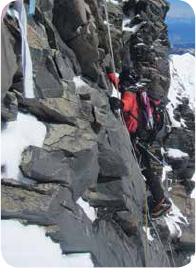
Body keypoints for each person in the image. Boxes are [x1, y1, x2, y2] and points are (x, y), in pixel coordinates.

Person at [118, 68, 172, 219]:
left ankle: (161, 200)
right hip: (143, 136)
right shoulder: (137, 91)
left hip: (135, 136)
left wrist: (119, 104)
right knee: (146, 168)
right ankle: (158, 199)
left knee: (146, 169)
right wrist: (109, 73)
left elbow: (126, 104)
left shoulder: (129, 92)